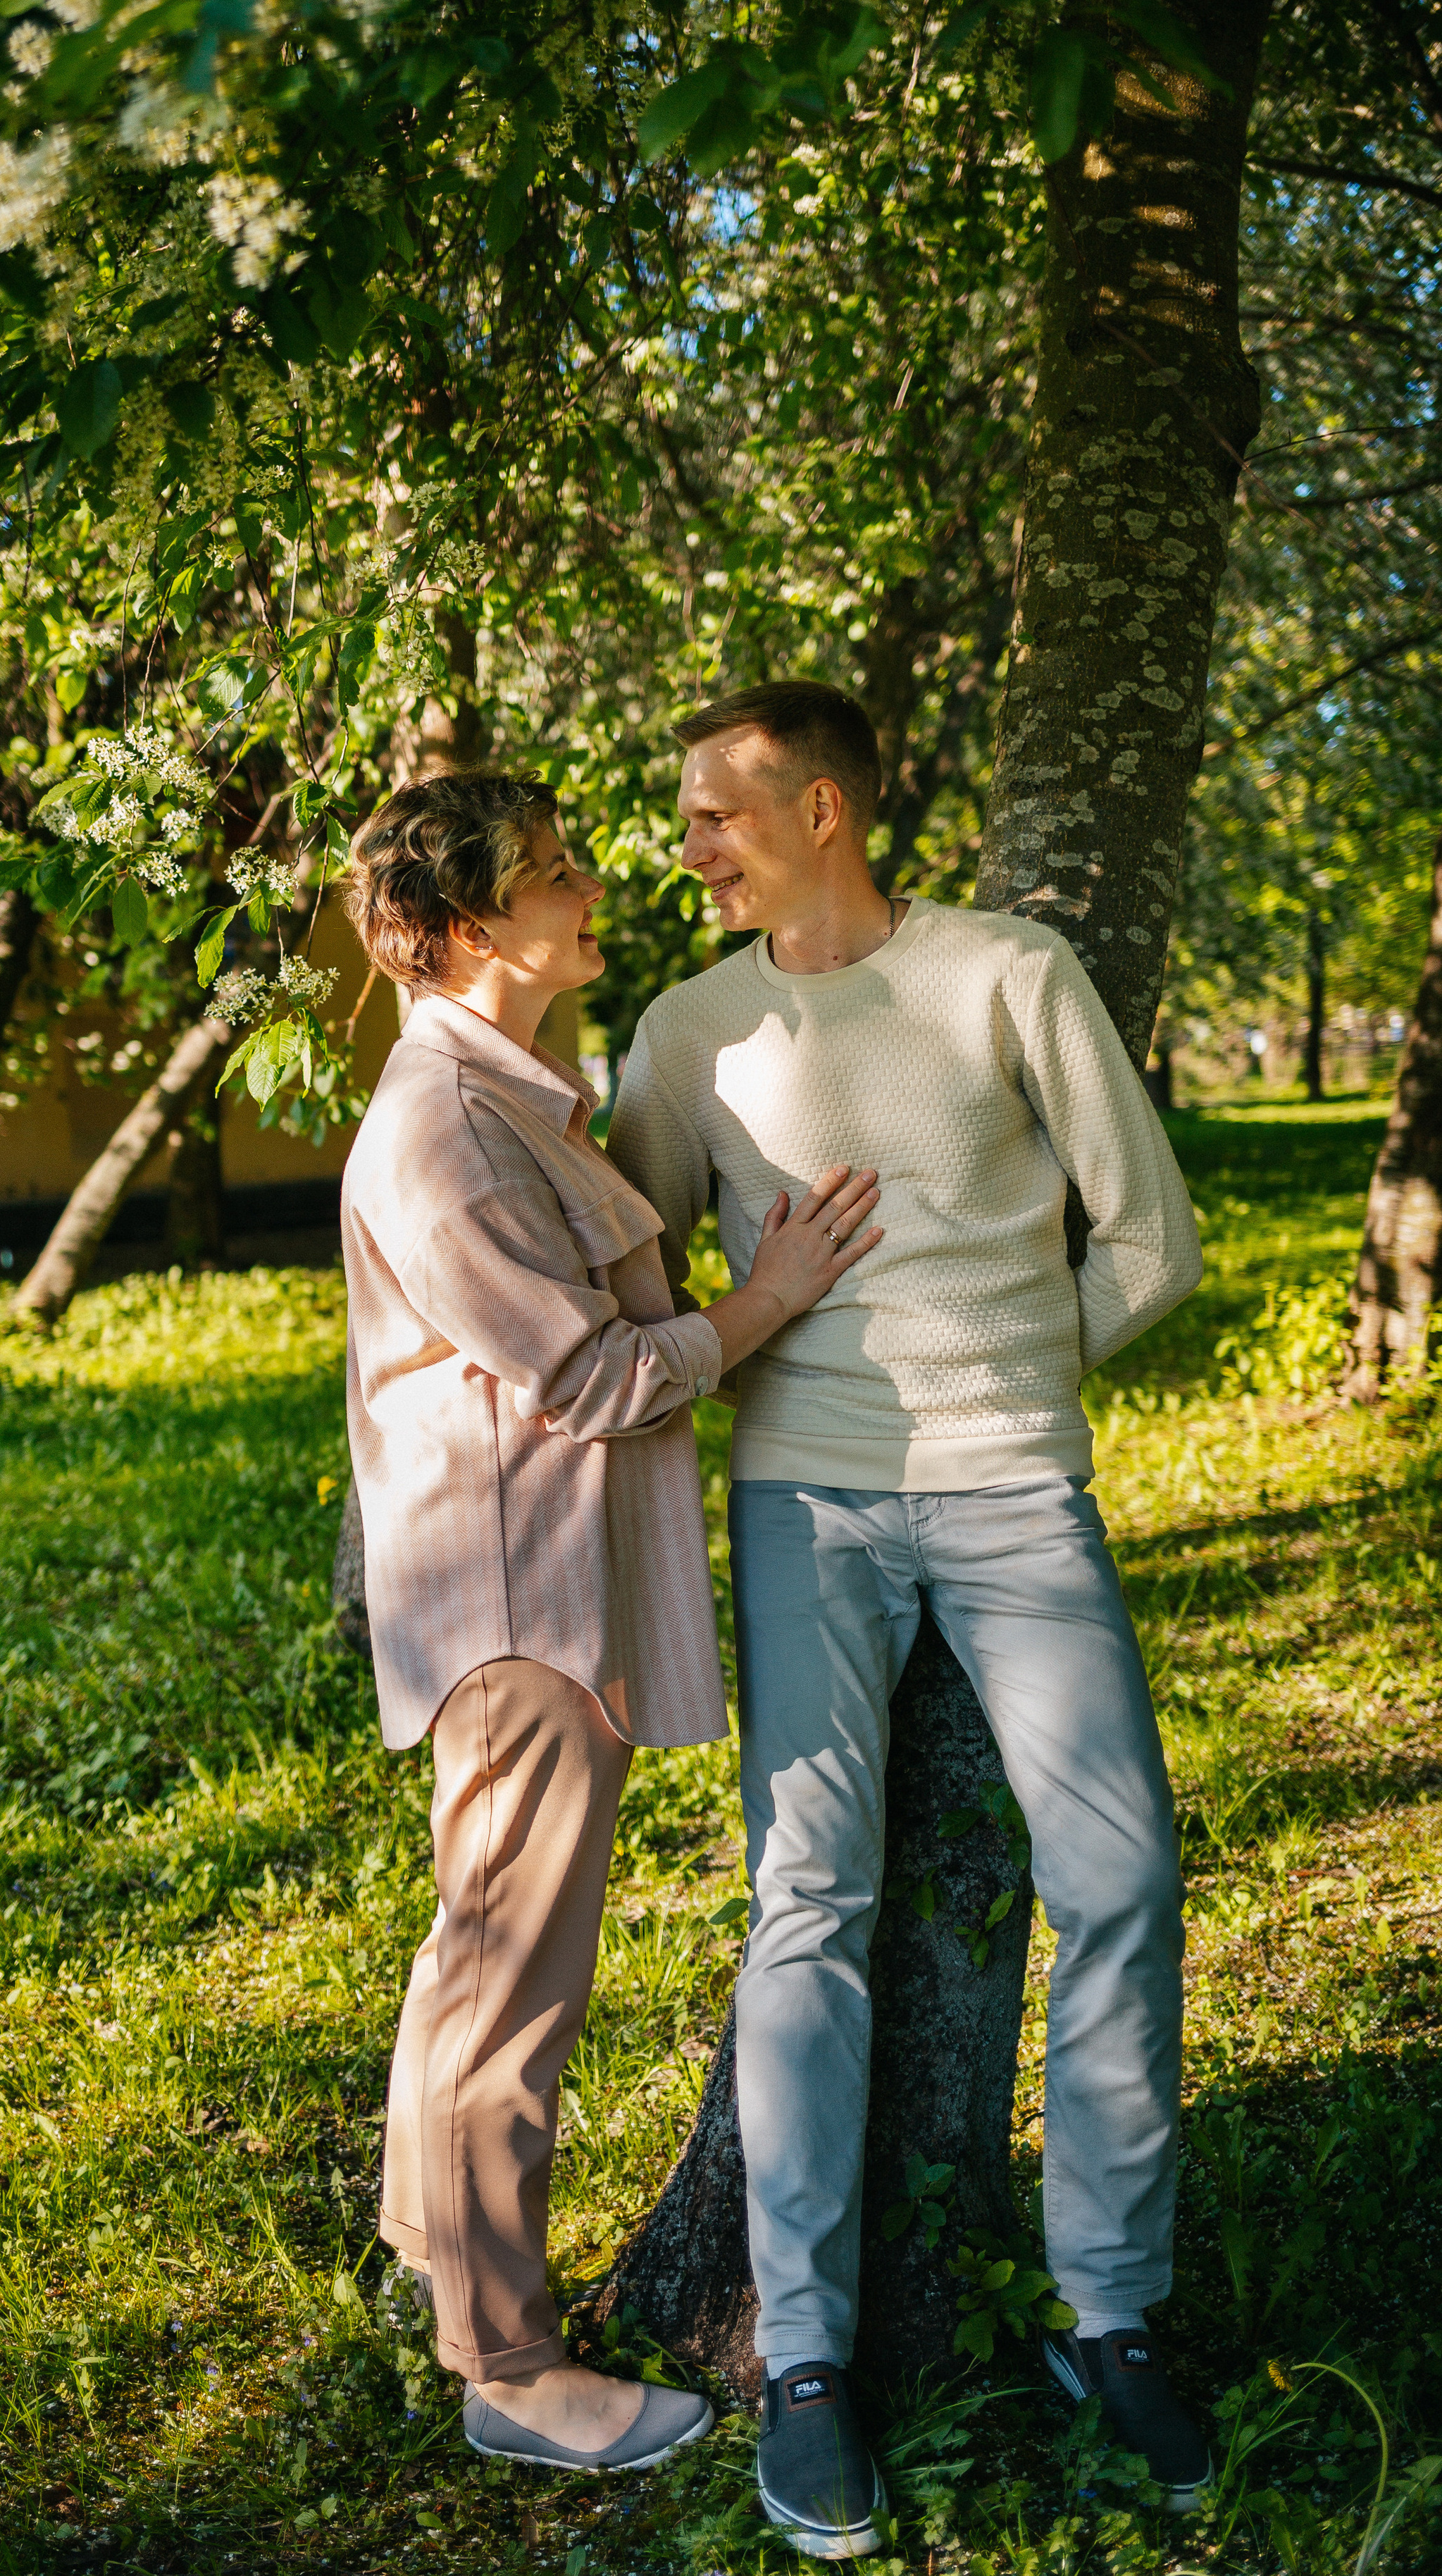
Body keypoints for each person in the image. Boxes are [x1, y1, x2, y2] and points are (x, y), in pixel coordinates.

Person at [606, 682, 1207, 2558]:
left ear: (827, 811)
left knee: (1122, 1877)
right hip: (803, 1497)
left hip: (1019, 1491)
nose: (687, 845)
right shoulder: (690, 1033)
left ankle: (1113, 2322)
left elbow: (1152, 1238)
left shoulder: (1007, 977)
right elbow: (625, 1286)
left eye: (715, 814)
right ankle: (805, 2365)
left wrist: (1015, 1376)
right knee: (811, 1900)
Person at [340, 769, 884, 2477]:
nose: (589, 889)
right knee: (510, 1984)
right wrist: (767, 1303)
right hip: (517, 1607)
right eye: (553, 874)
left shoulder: (518, 1094)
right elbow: (586, 1378)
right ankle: (503, 2365)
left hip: (536, 1587)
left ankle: (432, 2243)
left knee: (476, 1958)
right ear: (458, 929)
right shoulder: (437, 1122)